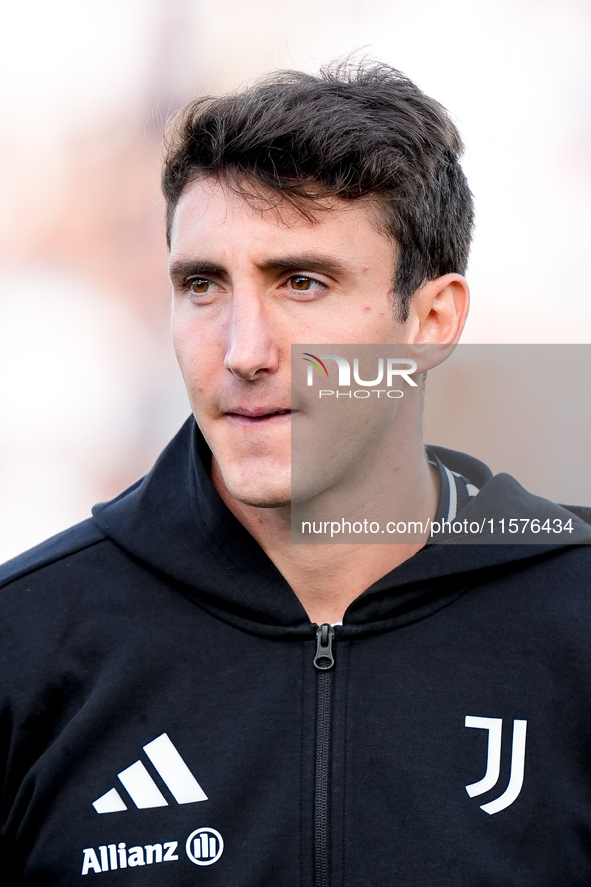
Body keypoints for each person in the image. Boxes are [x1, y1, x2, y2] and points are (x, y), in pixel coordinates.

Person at [1, 61, 591, 886]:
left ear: (429, 319)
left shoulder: (572, 615)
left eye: (302, 282)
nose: (243, 351)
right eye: (202, 285)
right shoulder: (26, 641)